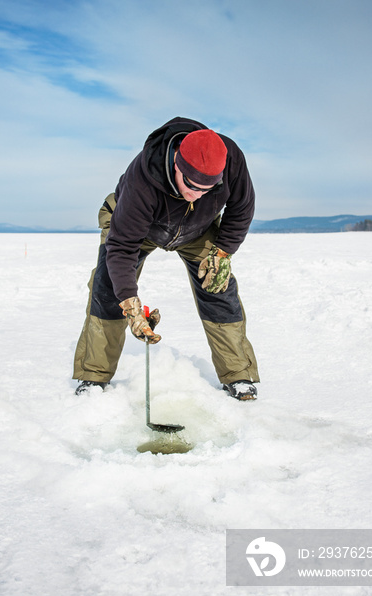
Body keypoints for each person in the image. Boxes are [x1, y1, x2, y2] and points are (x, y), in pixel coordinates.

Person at [73, 116, 259, 400]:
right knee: (109, 288)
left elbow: (241, 209)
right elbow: (122, 248)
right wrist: (131, 305)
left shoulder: (230, 161)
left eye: (206, 190)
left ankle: (238, 375)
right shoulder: (143, 178)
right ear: (177, 166)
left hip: (198, 229)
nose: (196, 195)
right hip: (138, 228)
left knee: (219, 291)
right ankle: (94, 376)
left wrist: (223, 252)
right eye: (191, 185)